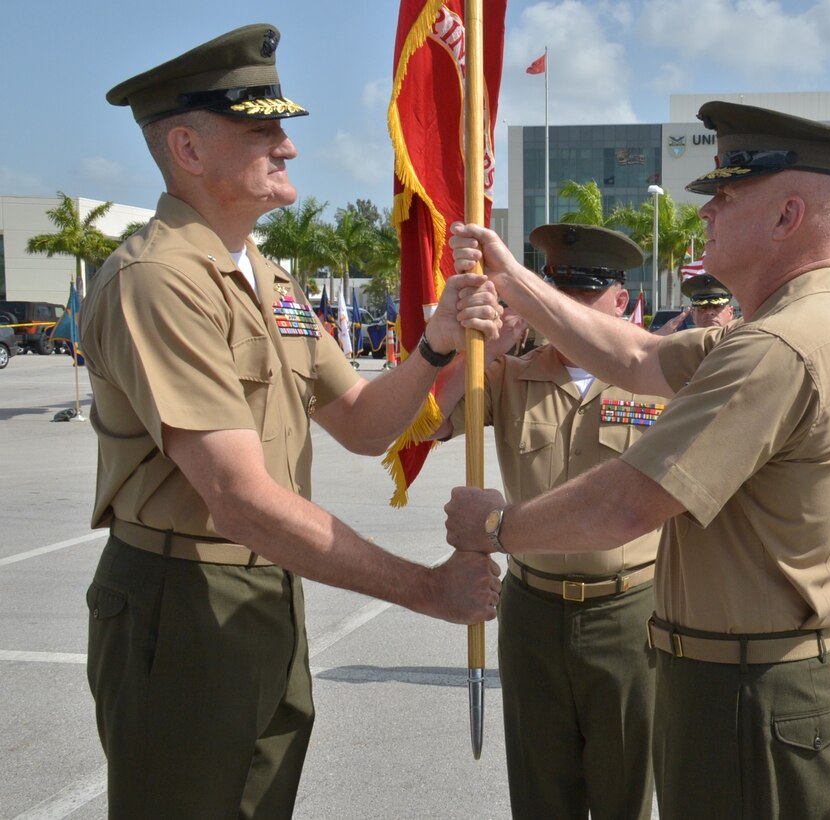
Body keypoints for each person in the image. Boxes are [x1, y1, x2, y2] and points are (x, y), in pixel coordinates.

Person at [81, 24, 503, 819]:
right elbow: (237, 497)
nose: (289, 146)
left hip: (265, 591)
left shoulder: (269, 278)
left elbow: (364, 423)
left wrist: (438, 345)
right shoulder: (159, 280)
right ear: (189, 148)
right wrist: (428, 590)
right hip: (184, 601)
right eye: (261, 127)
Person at [444, 101, 830, 818]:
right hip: (737, 681)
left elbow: (628, 504)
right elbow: (638, 355)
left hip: (751, 693)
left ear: (786, 217)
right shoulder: (783, 331)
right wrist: (516, 279)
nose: (706, 213)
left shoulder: (774, 349)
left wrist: (498, 529)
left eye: (727, 196)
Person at [431, 224, 664, 819]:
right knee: (540, 795)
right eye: (557, 290)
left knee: (625, 794)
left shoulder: (659, 378)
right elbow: (421, 423)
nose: (568, 310)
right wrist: (478, 354)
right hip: (533, 612)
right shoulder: (510, 375)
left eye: (585, 296)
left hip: (627, 614)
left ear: (619, 297)